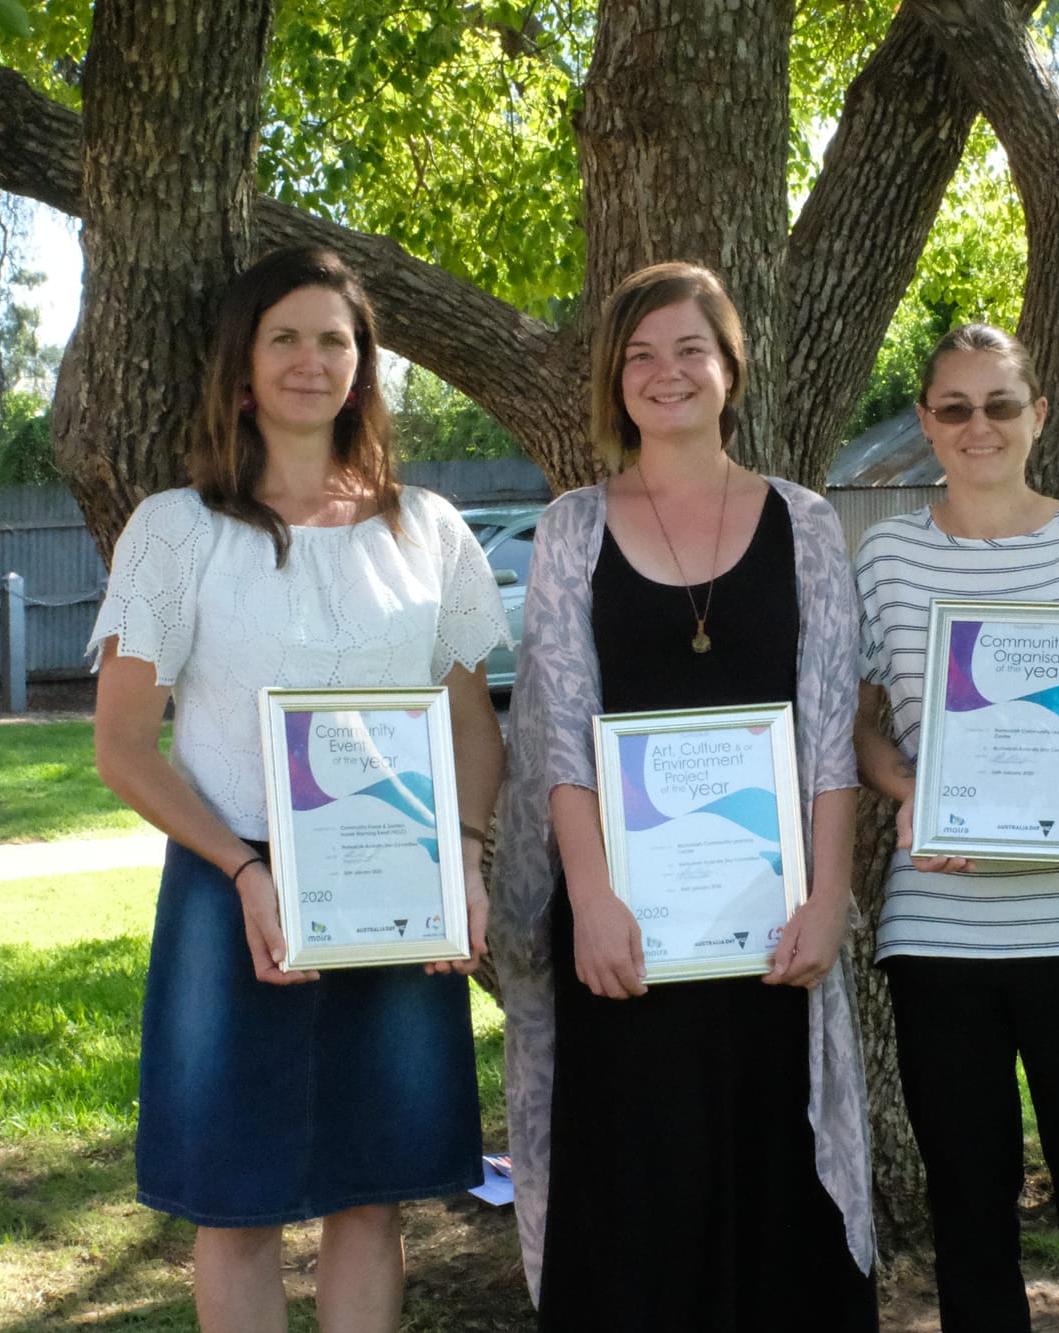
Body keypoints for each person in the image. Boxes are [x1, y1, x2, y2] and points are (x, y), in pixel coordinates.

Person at [88, 246, 508, 1333]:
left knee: (373, 1196)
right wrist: (242, 870)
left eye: (336, 339)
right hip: (233, 898)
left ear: (364, 366)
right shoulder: (174, 532)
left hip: (398, 897)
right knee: (235, 1206)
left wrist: (463, 859)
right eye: (285, 336)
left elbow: (469, 720)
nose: (312, 359)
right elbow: (126, 746)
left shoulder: (430, 531)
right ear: (241, 367)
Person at [490, 261, 877, 1331]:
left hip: (770, 928)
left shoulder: (804, 525)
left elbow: (828, 739)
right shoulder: (570, 529)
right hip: (623, 933)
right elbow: (558, 736)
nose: (667, 374)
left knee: (774, 1191)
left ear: (730, 367)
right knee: (636, 1207)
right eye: (640, 356)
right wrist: (594, 897)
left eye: (689, 350)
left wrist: (825, 901)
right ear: (615, 382)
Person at [851, 323, 1059, 1331]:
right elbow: (861, 725)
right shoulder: (886, 556)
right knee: (968, 1205)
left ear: (1038, 415)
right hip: (939, 936)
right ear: (925, 422)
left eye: (998, 403)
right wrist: (906, 790)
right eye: (953, 406)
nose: (976, 425)